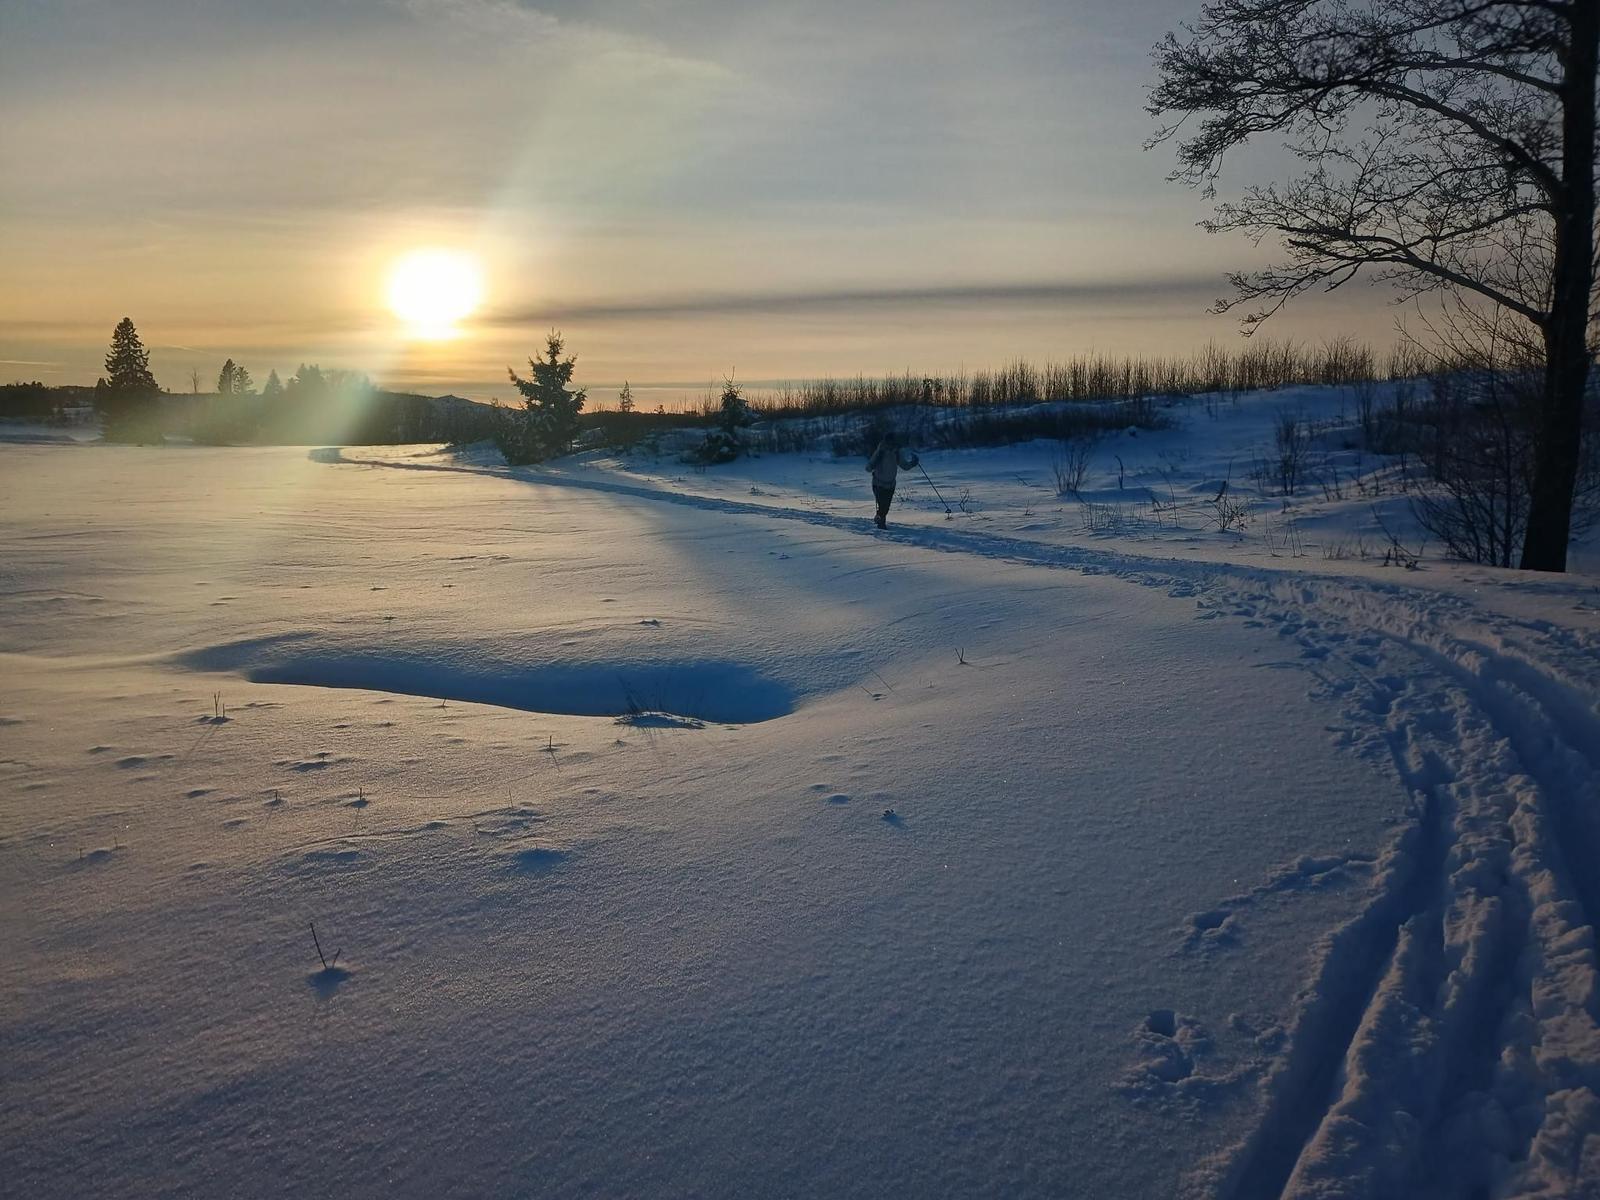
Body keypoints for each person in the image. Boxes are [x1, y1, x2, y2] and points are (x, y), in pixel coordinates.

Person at [866, 430, 919, 528]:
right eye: (889, 442)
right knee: (883, 506)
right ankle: (881, 524)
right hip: (878, 484)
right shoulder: (880, 451)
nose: (890, 444)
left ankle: (879, 519)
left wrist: (913, 463)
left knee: (885, 507)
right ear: (885, 441)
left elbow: (904, 466)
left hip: (890, 484)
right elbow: (869, 466)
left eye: (892, 442)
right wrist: (873, 464)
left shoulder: (897, 452)